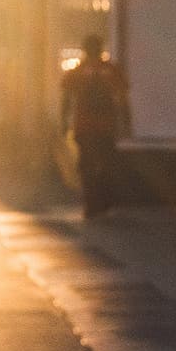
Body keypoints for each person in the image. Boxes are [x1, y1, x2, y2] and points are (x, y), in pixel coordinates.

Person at [60, 33, 130, 218]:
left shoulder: (77, 71)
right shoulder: (111, 70)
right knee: (107, 162)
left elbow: (66, 98)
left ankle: (90, 203)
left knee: (86, 165)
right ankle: (105, 200)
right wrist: (126, 121)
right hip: (106, 125)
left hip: (83, 125)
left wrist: (63, 122)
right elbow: (122, 98)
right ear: (100, 49)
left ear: (85, 50)